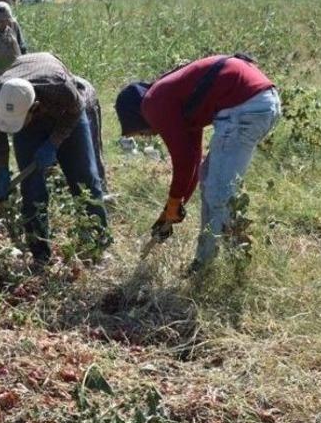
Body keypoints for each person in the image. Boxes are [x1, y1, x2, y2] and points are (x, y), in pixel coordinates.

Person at [114, 54, 280, 269]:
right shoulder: (173, 98)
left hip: (246, 108)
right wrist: (174, 208)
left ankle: (208, 265)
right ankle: (212, 258)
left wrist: (174, 201)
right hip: (259, 102)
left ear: (137, 115)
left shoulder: (153, 103)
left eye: (141, 132)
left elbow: (183, 160)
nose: (147, 136)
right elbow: (193, 159)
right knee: (209, 179)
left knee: (219, 193)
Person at [0, 52, 108, 264]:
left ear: (34, 107)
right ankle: (40, 256)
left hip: (68, 114)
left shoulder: (60, 87)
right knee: (31, 189)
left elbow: (75, 110)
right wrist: (2, 170)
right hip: (30, 116)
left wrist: (53, 143)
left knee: (85, 180)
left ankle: (96, 248)